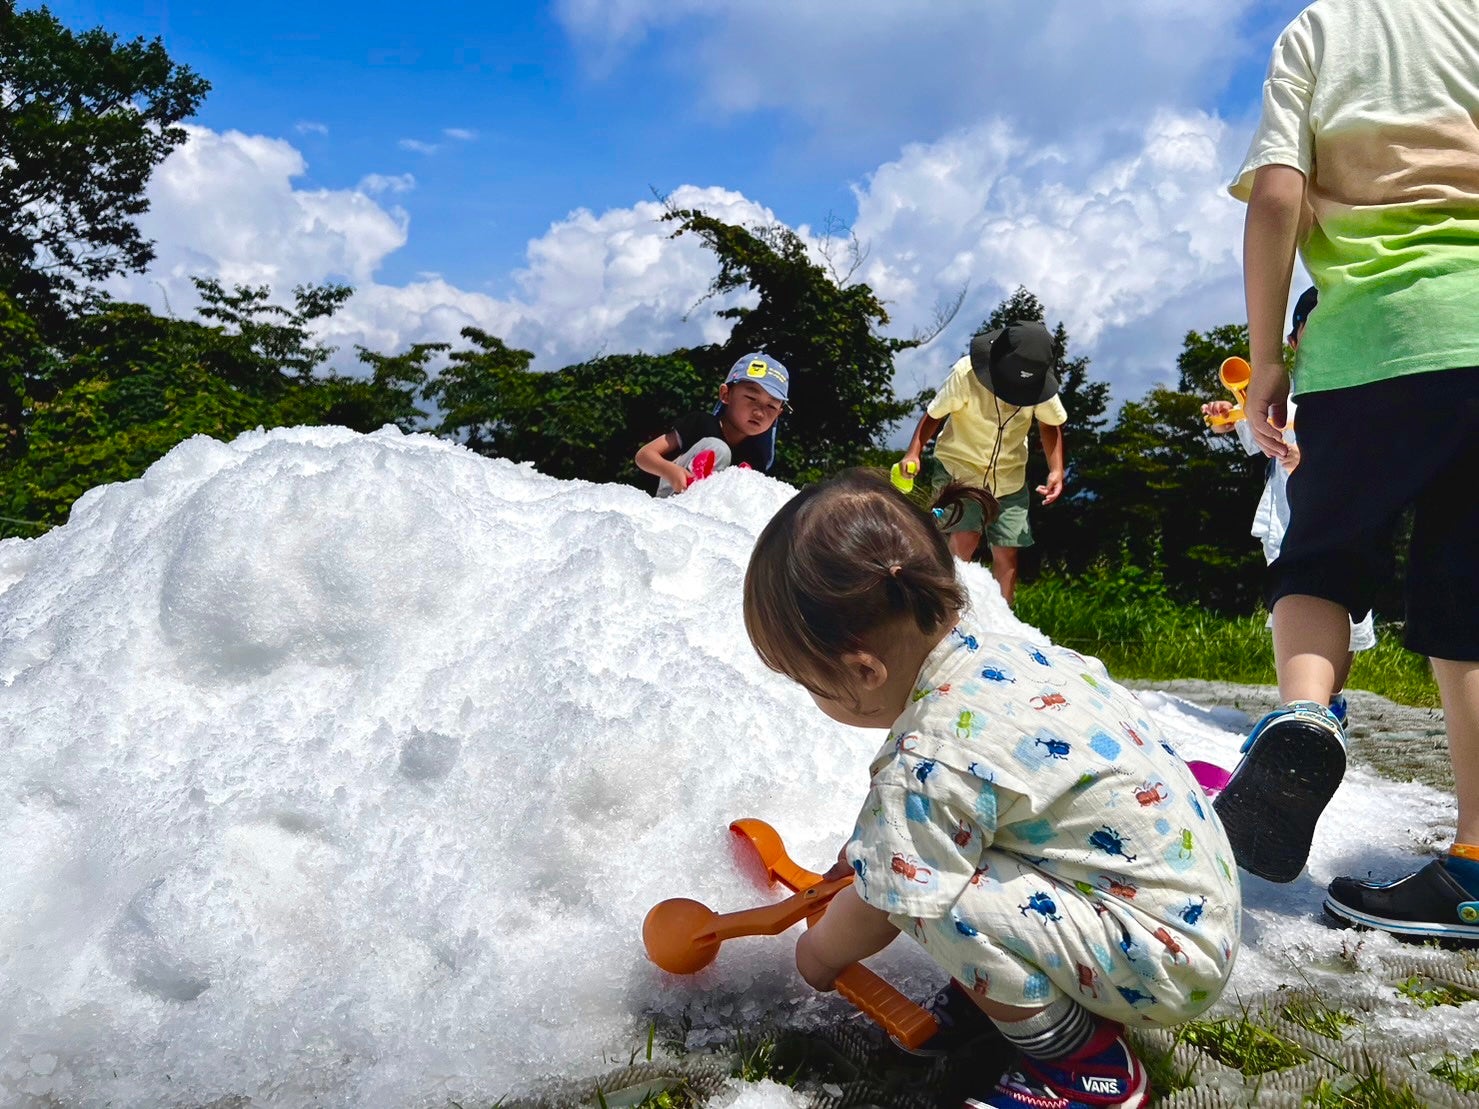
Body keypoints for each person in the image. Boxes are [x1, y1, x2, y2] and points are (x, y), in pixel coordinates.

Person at [743, 469, 1240, 1109]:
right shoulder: (1015, 659)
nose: (813, 699)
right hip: (1192, 912)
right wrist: (871, 851)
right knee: (932, 858)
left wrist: (819, 955)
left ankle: (1085, 1072)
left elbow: (886, 900)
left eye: (811, 684)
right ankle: (1004, 997)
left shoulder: (931, 748)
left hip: (1160, 961)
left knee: (925, 891)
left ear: (863, 671)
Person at [1215, 0, 1479, 942]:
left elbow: (1276, 197)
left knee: (1320, 556)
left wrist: (1266, 357)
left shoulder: (1320, 31)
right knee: (1468, 604)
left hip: (1369, 344)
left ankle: (1304, 717)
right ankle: (1474, 868)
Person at [1200, 287, 1376, 729]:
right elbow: (1248, 432)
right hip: (1285, 521)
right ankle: (1301, 708)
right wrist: (1226, 416)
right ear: (1294, 341)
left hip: (1347, 524)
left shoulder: (1365, 393)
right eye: (1315, 329)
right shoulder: (1283, 392)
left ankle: (1331, 700)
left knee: (1349, 616)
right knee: (1294, 604)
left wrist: (1310, 466)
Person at [897, 321, 1067, 606]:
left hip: (1009, 476)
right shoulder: (966, 373)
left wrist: (1057, 470)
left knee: (1007, 550)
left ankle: (1003, 619)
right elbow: (934, 414)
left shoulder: (1039, 382)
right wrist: (913, 452)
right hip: (960, 468)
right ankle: (945, 610)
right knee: (966, 536)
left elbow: (1050, 424)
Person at [634, 353, 788, 497]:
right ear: (725, 394)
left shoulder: (756, 458)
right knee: (718, 449)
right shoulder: (700, 423)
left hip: (710, 511)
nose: (759, 413)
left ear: (778, 414)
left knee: (749, 479)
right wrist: (670, 471)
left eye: (771, 406)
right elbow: (644, 455)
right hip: (670, 499)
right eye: (751, 398)